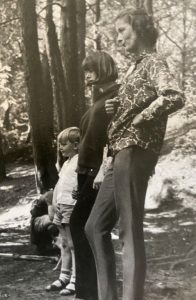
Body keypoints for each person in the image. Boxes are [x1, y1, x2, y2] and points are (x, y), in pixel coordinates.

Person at [85, 7, 185, 300]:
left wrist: (144, 116)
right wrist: (117, 109)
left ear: (139, 29)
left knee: (129, 232)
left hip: (135, 150)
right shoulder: (134, 68)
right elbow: (133, 103)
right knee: (93, 227)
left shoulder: (153, 62)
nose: (118, 39)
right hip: (118, 153)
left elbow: (174, 96)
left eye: (121, 31)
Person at [69, 51, 120, 300]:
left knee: (82, 225)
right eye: (85, 71)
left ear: (102, 67)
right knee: (81, 227)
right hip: (86, 172)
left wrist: (103, 169)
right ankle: (88, 290)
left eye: (90, 69)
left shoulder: (116, 97)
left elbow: (114, 138)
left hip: (98, 173)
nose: (87, 75)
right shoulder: (100, 97)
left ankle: (88, 292)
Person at [46, 127, 80, 296]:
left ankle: (76, 278)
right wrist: (53, 202)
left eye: (64, 144)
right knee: (64, 243)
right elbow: (60, 185)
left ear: (76, 144)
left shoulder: (80, 161)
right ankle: (64, 275)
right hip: (60, 205)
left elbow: (79, 184)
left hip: (71, 205)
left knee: (73, 244)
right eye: (59, 144)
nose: (60, 147)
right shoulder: (66, 163)